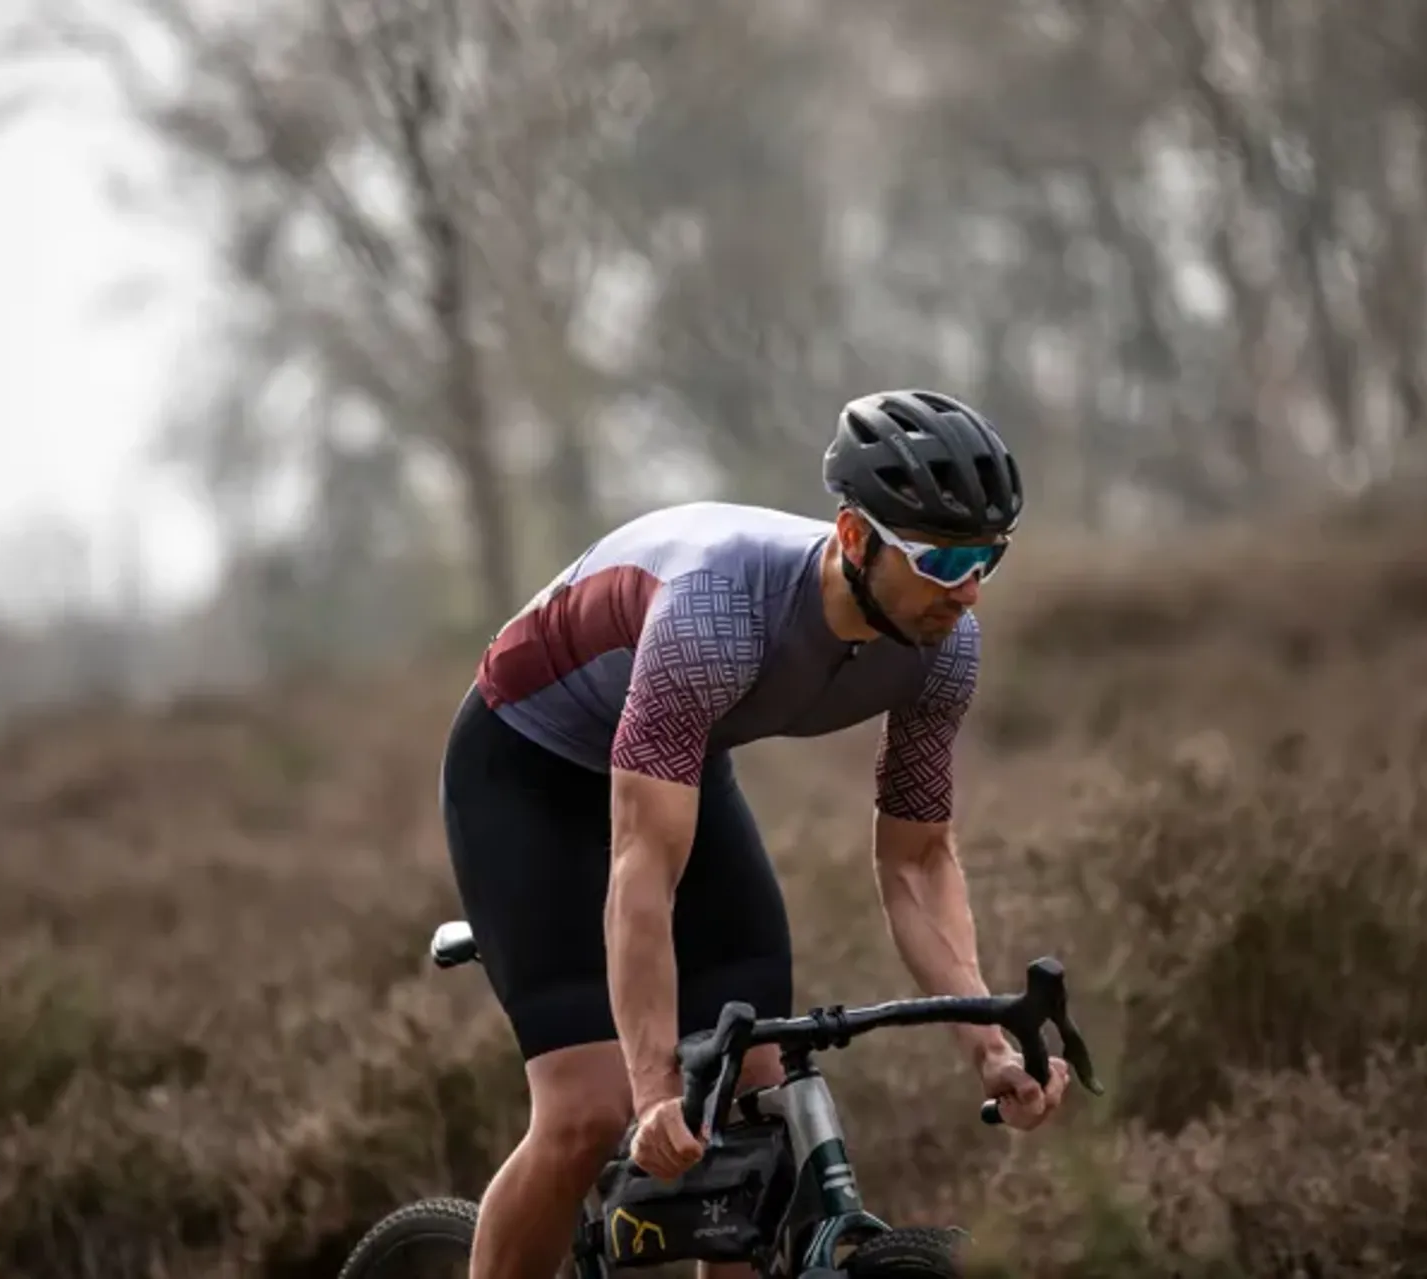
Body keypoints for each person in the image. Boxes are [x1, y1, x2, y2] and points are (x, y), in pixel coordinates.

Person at [438, 389, 1072, 1279]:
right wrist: (653, 1090)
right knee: (588, 1109)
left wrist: (990, 1048)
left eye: (987, 558)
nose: (965, 590)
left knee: (755, 1098)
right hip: (528, 767)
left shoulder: (945, 647)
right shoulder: (717, 613)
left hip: (672, 760)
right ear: (854, 538)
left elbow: (918, 861)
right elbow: (644, 868)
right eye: (941, 559)